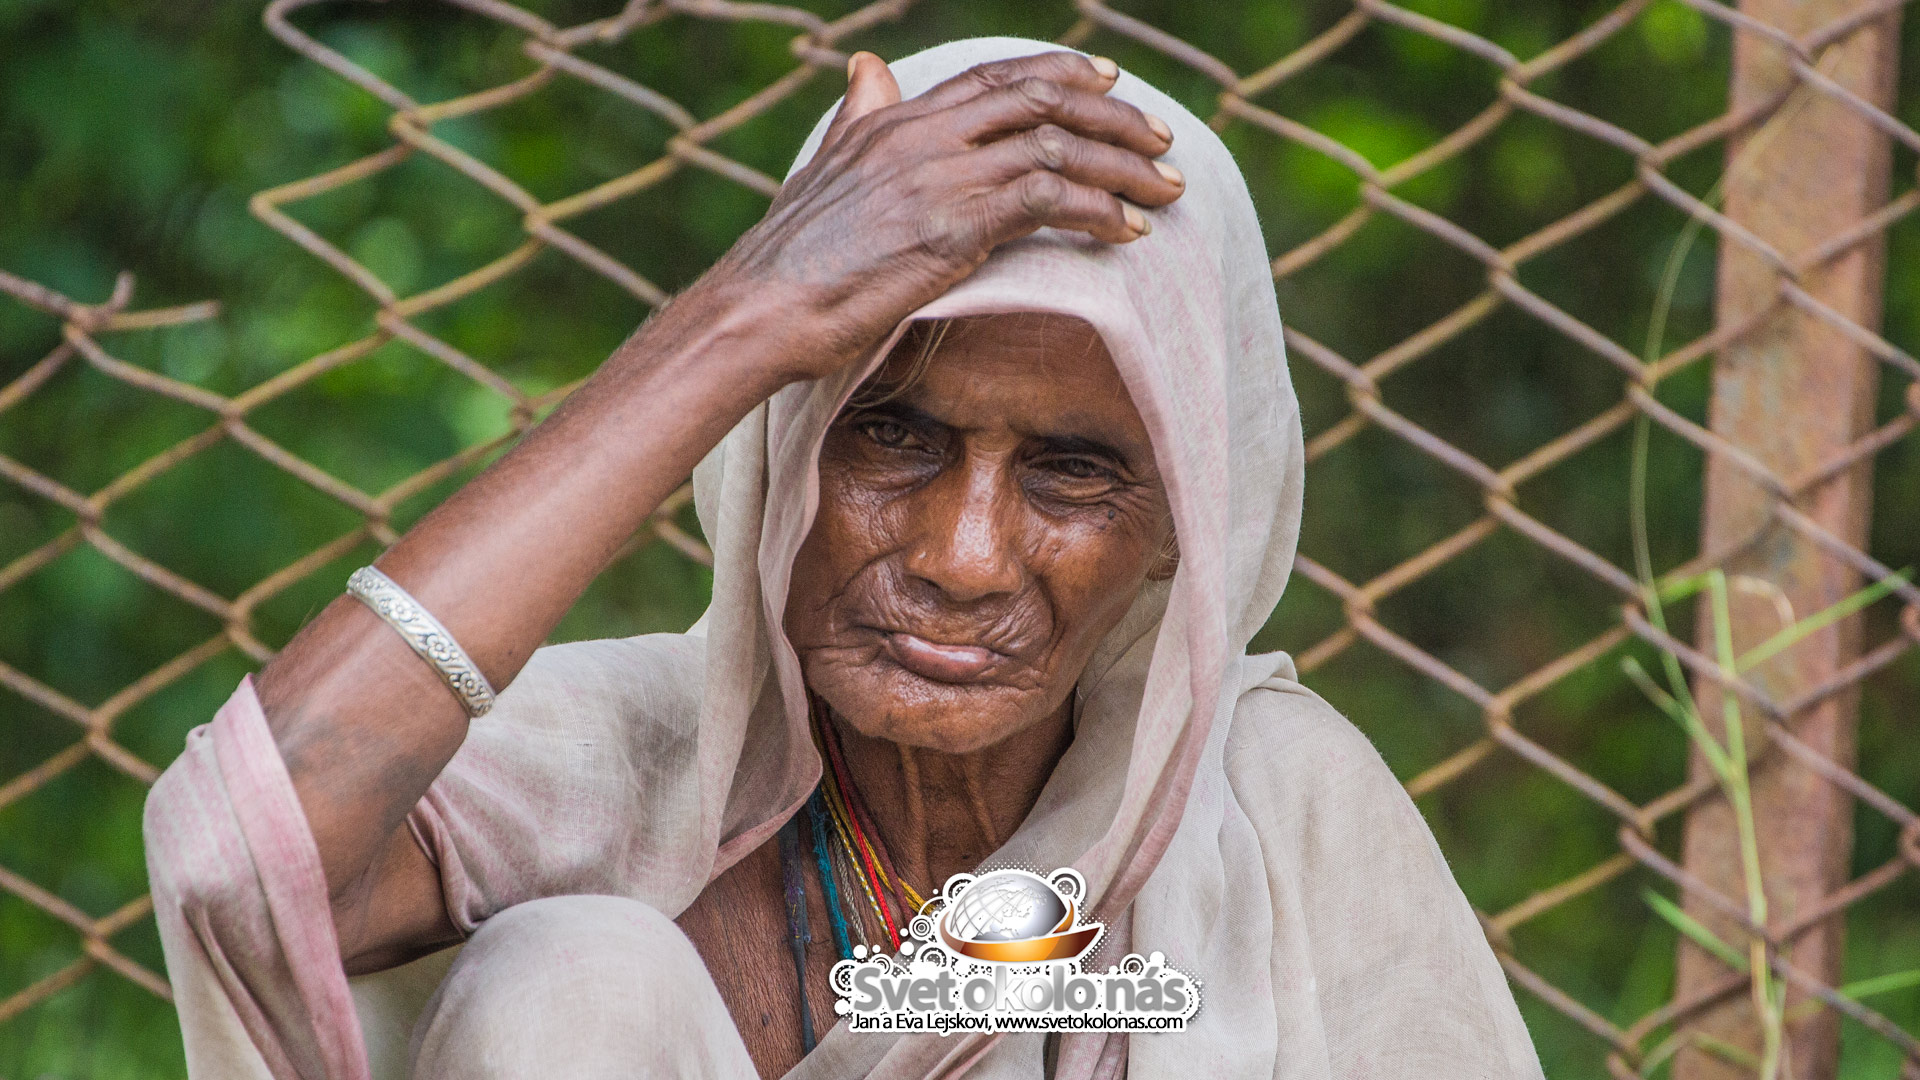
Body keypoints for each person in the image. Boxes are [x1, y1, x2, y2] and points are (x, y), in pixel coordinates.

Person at [143, 36, 1545, 1080]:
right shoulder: (631, 756)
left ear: (1185, 522)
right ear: (775, 447)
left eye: (1073, 471)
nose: (966, 555)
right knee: (577, 973)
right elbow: (231, 861)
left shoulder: (1274, 812)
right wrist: (752, 314)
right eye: (889, 434)